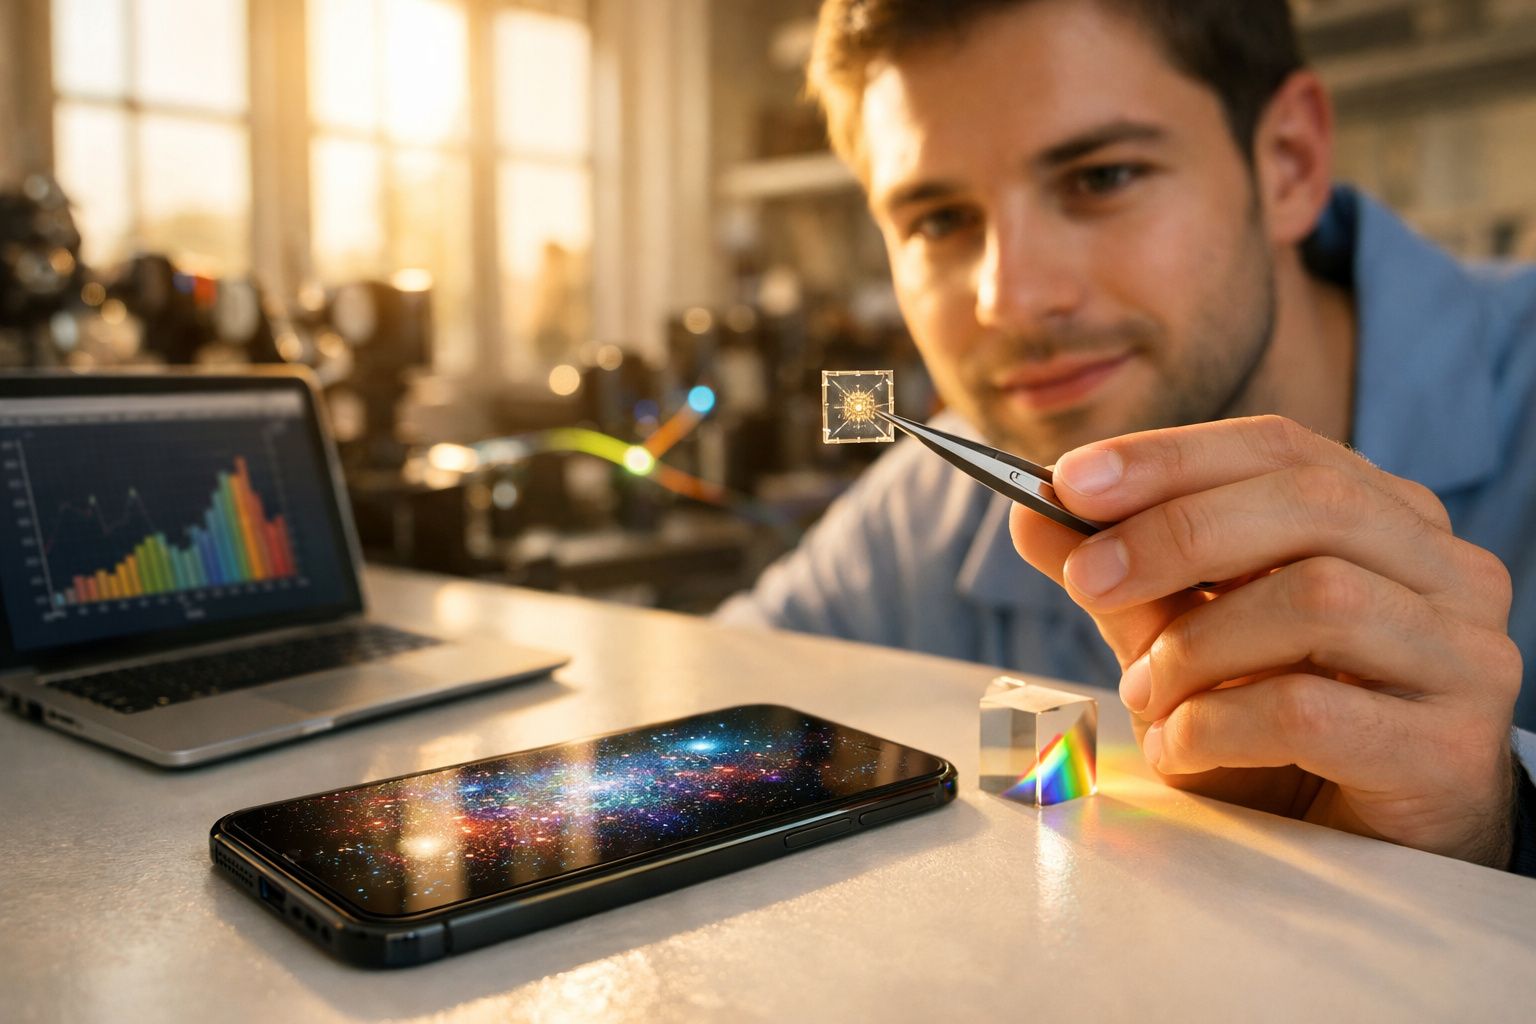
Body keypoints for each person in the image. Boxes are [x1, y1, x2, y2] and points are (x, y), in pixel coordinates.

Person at [715, 0, 1536, 875]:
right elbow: (698, 710)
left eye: (1101, 177)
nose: (1010, 300)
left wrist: (1501, 829)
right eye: (939, 221)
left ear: (1289, 164)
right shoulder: (932, 504)